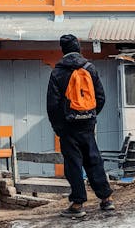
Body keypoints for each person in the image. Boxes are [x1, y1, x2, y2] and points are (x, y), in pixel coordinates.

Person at [47, 34, 114, 218]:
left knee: (73, 164)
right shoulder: (90, 69)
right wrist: (90, 115)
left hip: (68, 127)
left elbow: (52, 105)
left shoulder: (57, 72)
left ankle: (77, 205)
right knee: (93, 159)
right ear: (79, 48)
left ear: (63, 50)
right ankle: (106, 199)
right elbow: (100, 97)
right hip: (87, 124)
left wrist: (59, 127)